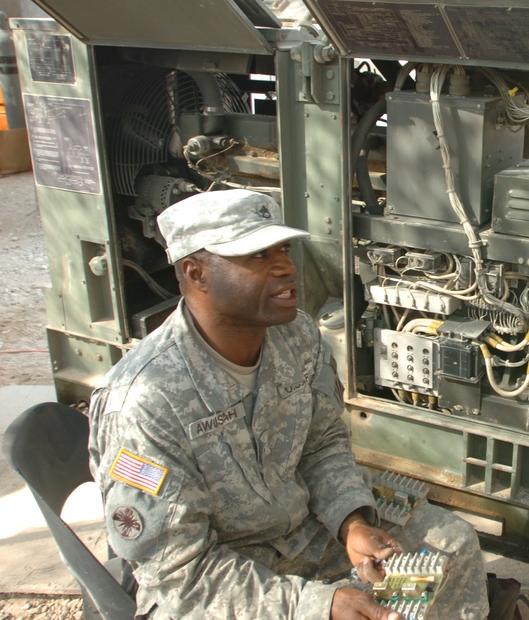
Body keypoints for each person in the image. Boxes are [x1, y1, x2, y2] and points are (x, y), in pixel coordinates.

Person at [87, 189, 490, 619]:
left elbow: (322, 443)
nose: (285, 266)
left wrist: (350, 522)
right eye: (257, 256)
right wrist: (319, 605)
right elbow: (180, 576)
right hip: (219, 580)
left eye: (282, 248)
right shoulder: (143, 404)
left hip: (304, 534)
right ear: (196, 272)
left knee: (452, 544)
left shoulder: (296, 336)